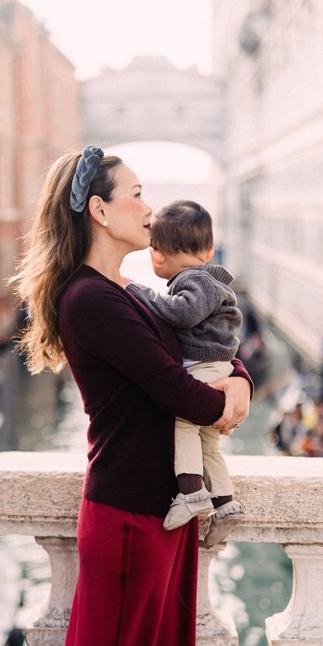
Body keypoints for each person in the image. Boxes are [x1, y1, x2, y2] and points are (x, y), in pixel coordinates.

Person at [11, 146, 253, 646]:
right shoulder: (91, 298)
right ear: (99, 209)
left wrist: (234, 377)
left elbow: (202, 347)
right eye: (137, 194)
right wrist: (230, 401)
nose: (150, 209)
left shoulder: (118, 291)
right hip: (124, 507)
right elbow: (177, 390)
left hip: (163, 504)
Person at [124, 200, 245, 549]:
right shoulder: (207, 277)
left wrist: (140, 292)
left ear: (157, 257)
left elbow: (183, 313)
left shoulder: (193, 281)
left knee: (184, 422)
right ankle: (224, 502)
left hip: (204, 366)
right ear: (208, 250)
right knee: (209, 442)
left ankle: (191, 492)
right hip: (217, 366)